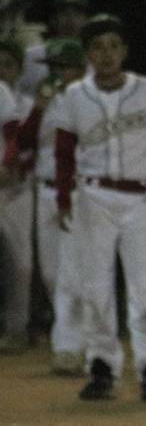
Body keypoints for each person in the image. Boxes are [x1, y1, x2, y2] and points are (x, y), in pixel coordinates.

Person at [54, 14, 146, 401]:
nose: (106, 54)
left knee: (144, 285)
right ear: (87, 54)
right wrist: (63, 197)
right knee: (95, 284)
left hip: (138, 198)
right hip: (93, 197)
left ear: (124, 50)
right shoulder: (75, 95)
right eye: (97, 47)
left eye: (113, 45)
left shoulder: (144, 90)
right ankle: (102, 365)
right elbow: (64, 153)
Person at [16, 38, 92, 374]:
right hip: (44, 192)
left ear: (79, 69)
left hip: (76, 192)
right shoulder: (49, 101)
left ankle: (70, 347)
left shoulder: (91, 101)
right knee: (51, 274)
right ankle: (80, 340)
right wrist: (39, 109)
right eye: (56, 68)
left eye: (65, 67)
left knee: (70, 275)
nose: (59, 74)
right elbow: (24, 142)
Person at [0, 38, 35, 355]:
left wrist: (13, 167)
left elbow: (26, 143)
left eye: (8, 64)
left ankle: (17, 327)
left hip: (18, 188)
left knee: (20, 262)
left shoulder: (28, 104)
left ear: (20, 70)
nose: (2, 71)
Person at [16, 0, 91, 97]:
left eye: (77, 14)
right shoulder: (32, 56)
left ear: (86, 20)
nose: (70, 20)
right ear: (53, 19)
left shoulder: (94, 57)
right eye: (64, 14)